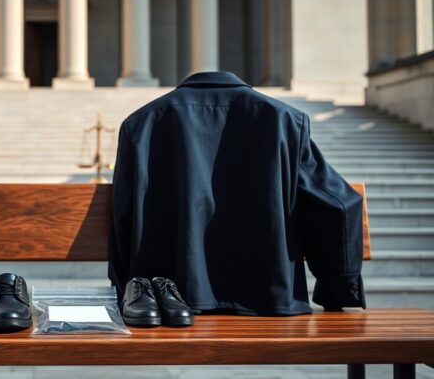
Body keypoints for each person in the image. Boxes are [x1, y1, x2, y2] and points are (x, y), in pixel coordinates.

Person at [109, 71, 366, 316]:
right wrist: (339, 289)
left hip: (169, 303)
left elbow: (122, 214)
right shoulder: (285, 120)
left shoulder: (141, 122)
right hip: (270, 298)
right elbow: (339, 204)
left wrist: (127, 290)